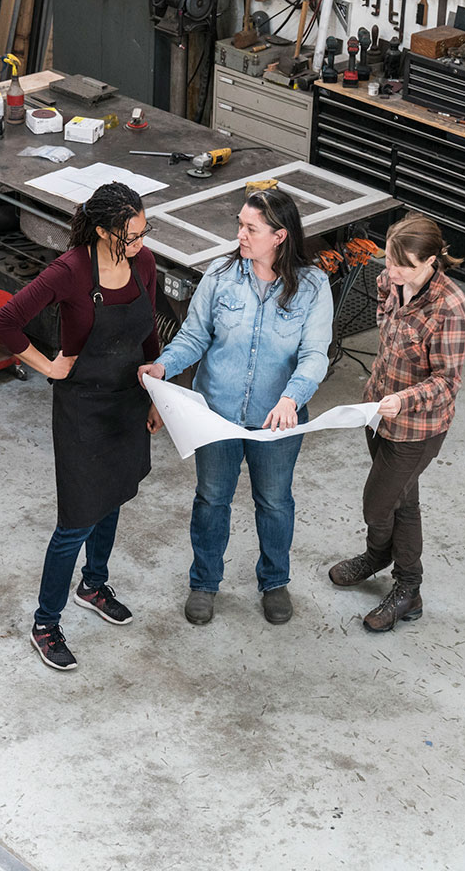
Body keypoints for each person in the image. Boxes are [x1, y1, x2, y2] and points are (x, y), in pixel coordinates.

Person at [140, 188, 333, 626]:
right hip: (218, 416)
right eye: (240, 225)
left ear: (279, 236)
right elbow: (194, 336)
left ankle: (275, 582)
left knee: (275, 501)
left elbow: (315, 354)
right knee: (211, 499)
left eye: (251, 228)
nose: (239, 234)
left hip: (276, 423)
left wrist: (291, 398)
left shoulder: (313, 287)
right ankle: (205, 583)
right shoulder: (221, 275)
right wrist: (163, 366)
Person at [0, 183, 160, 672]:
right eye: (130, 236)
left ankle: (93, 584)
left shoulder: (143, 265)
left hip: (127, 400)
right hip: (83, 408)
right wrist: (48, 366)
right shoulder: (70, 270)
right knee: (76, 520)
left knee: (113, 498)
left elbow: (149, 334)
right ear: (105, 231)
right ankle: (45, 623)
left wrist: (155, 397)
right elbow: (6, 322)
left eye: (144, 233)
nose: (140, 245)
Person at [327, 212, 465, 633]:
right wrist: (380, 399)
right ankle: (392, 574)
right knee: (402, 500)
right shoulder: (390, 279)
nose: (391, 272)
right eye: (390, 261)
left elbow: (448, 382)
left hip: (418, 428)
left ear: (431, 262)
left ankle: (406, 580)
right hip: (377, 411)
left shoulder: (451, 308)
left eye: (403, 266)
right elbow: (385, 329)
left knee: (379, 503)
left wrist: (402, 400)